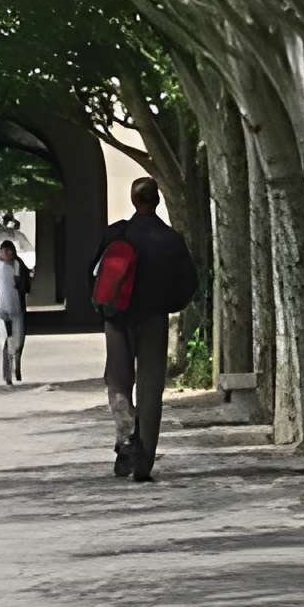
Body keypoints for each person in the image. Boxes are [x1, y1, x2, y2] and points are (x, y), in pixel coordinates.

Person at [89, 179, 198, 483]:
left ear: (133, 200)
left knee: (118, 382)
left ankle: (126, 437)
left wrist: (104, 310)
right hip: (153, 319)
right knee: (151, 390)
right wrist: (168, 304)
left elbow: (93, 275)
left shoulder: (117, 234)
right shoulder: (170, 239)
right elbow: (189, 284)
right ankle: (144, 461)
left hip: (117, 319)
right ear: (157, 201)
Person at [0, 232, 31, 387]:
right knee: (5, 343)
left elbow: (27, 286)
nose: (6, 254)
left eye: (9, 251)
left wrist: (21, 282)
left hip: (17, 308)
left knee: (17, 343)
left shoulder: (19, 266)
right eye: (4, 251)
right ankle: (7, 374)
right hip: (1, 309)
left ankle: (16, 365)